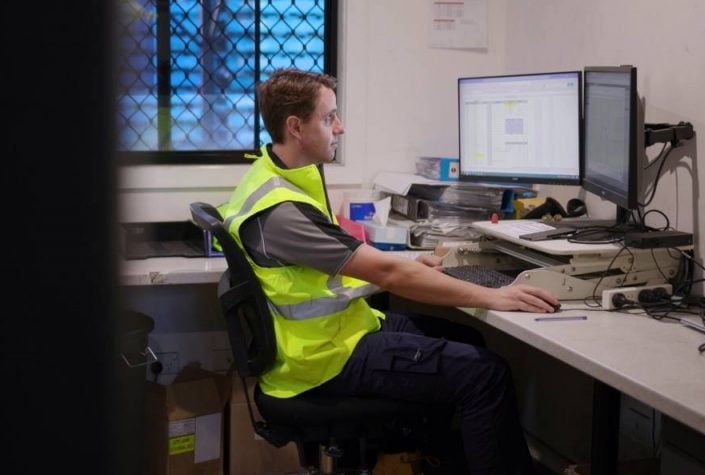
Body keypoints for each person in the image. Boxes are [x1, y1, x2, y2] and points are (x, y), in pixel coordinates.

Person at [218, 68, 561, 474]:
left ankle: (430, 461)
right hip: (322, 361)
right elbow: (388, 275)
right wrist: (492, 295)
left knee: (467, 337)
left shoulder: (278, 175)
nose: (340, 128)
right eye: (329, 118)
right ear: (295, 127)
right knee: (484, 374)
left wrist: (413, 261)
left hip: (332, 338)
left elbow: (350, 257)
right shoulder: (281, 210)